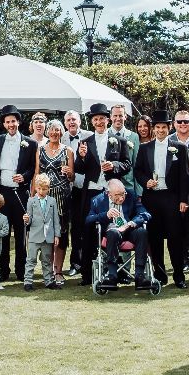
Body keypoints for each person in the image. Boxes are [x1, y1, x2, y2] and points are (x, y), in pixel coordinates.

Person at [73, 103, 128, 285]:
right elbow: (79, 169)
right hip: (91, 194)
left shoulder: (118, 140)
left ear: (108, 120)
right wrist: (80, 157)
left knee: (114, 230)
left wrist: (114, 166)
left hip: (112, 194)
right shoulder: (85, 142)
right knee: (88, 232)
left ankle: (116, 271)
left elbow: (127, 165)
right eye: (96, 119)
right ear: (92, 121)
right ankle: (87, 275)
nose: (99, 122)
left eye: (102, 118)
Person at [134, 110, 189, 288]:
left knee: (176, 238)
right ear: (153, 129)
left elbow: (184, 176)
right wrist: (146, 182)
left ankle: (179, 276)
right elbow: (138, 171)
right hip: (152, 198)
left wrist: (184, 200)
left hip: (172, 197)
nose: (160, 130)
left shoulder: (179, 148)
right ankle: (160, 275)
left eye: (164, 127)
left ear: (169, 128)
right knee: (155, 238)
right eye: (157, 127)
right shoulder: (145, 148)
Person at [0, 105, 38, 282]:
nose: (11, 124)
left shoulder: (31, 143)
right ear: (4, 124)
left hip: (20, 193)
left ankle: (21, 271)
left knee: (21, 234)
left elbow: (33, 168)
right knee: (3, 233)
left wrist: (25, 176)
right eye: (7, 122)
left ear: (18, 122)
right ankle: (4, 271)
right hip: (2, 193)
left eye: (13, 121)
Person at [86, 179, 151, 290]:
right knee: (112, 233)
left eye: (123, 194)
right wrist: (105, 215)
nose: (121, 198)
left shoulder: (131, 195)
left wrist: (131, 223)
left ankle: (139, 275)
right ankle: (112, 275)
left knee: (142, 232)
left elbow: (145, 214)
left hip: (129, 230)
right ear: (108, 194)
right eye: (117, 195)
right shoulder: (97, 200)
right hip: (112, 233)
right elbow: (88, 220)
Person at [35, 119, 74, 286]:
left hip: (62, 197)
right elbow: (36, 174)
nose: (54, 133)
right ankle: (48, 271)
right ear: (47, 132)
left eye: (57, 130)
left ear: (61, 132)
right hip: (45, 197)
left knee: (62, 234)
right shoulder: (40, 150)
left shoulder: (68, 151)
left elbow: (72, 177)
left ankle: (58, 271)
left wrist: (69, 172)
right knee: (46, 234)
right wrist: (33, 196)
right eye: (51, 130)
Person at [170, 109, 189, 270]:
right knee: (183, 226)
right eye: (180, 121)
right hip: (178, 190)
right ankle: (186, 260)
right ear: (174, 123)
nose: (183, 124)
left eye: (186, 121)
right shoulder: (168, 141)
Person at [62, 110, 91, 277]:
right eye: (68, 120)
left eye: (74, 119)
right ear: (65, 123)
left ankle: (89, 261)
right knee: (74, 228)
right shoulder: (62, 137)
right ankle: (75, 263)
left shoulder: (89, 135)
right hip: (68, 189)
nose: (71, 122)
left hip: (85, 188)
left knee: (87, 225)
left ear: (80, 121)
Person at [22, 173, 59, 290]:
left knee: (47, 260)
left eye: (44, 189)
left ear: (48, 188)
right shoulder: (31, 201)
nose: (41, 191)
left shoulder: (52, 201)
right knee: (31, 260)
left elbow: (55, 220)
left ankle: (48, 281)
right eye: (39, 188)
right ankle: (28, 282)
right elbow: (29, 220)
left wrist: (56, 235)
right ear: (35, 188)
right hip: (34, 236)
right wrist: (26, 220)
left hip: (48, 236)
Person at [108, 104, 141, 192]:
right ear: (110, 117)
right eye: (115, 115)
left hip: (128, 185)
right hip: (108, 185)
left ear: (125, 117)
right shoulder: (104, 135)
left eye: (120, 115)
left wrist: (138, 191)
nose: (118, 118)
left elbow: (136, 165)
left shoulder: (134, 137)